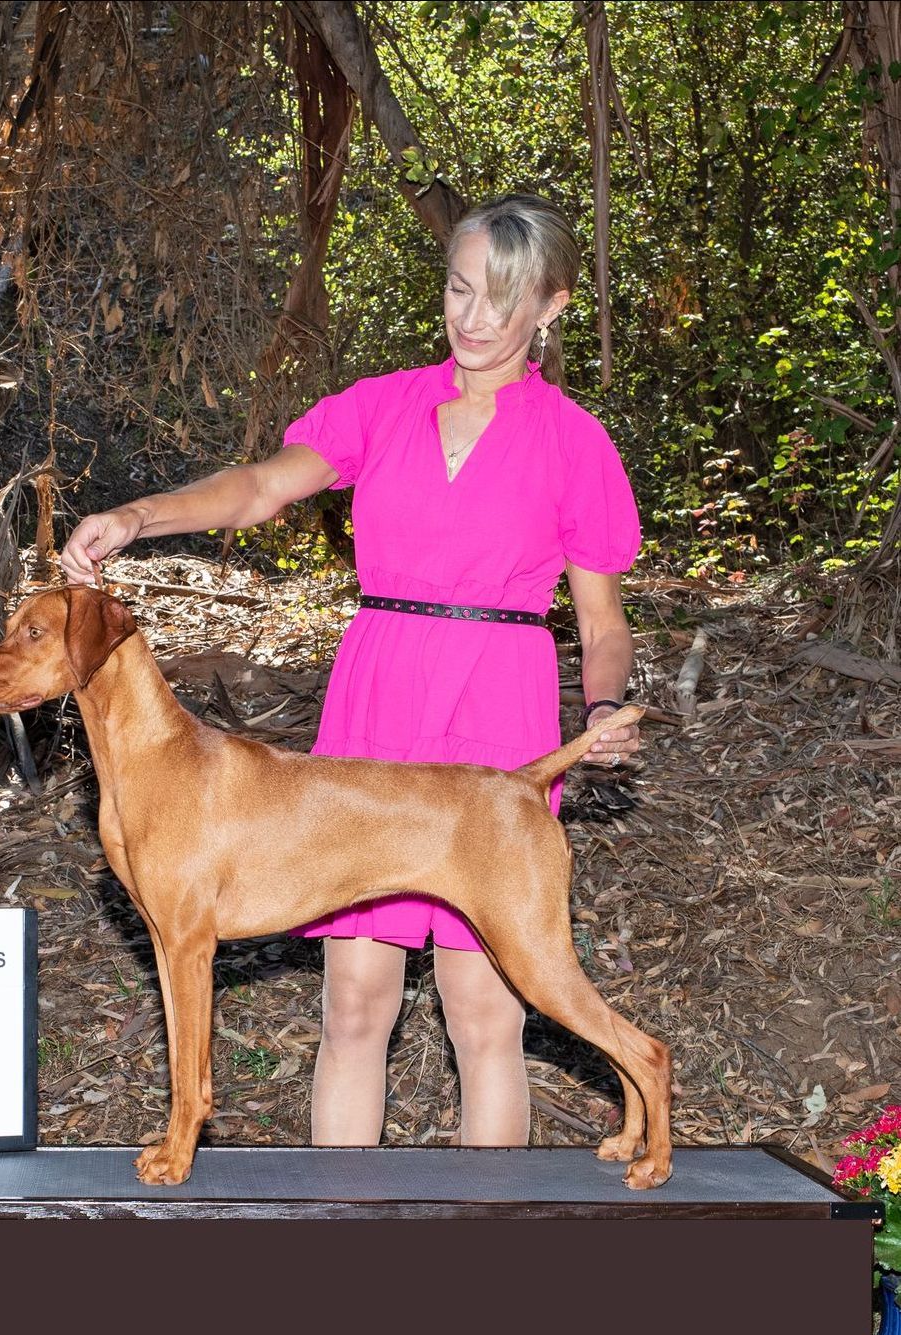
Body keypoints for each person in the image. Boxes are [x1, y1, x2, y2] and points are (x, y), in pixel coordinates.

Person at [60, 193, 641, 1150]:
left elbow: (601, 622)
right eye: (458, 289)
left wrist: (606, 704)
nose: (472, 318)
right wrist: (136, 517)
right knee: (354, 1002)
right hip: (379, 691)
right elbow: (257, 487)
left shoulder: (573, 441)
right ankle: (344, 1229)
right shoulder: (383, 404)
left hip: (500, 696)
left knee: (484, 1014)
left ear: (551, 306)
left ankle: (484, 1236)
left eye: (500, 300)